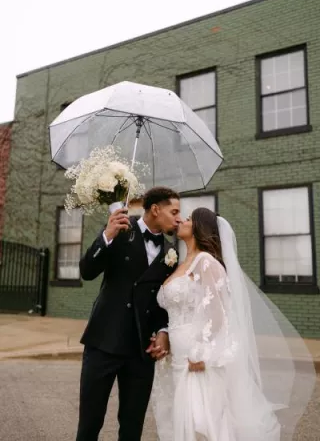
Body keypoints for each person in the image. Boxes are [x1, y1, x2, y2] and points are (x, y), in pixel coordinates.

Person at [152, 207, 316, 441]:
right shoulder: (180, 264)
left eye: (188, 219)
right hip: (177, 354)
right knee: (185, 420)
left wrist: (201, 352)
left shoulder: (206, 262)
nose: (182, 221)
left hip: (196, 356)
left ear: (199, 227)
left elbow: (218, 314)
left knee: (205, 422)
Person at [76, 186, 181, 441]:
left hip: (141, 350)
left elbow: (163, 303)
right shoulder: (121, 227)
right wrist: (106, 235)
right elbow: (87, 271)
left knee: (132, 427)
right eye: (174, 211)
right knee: (90, 422)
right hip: (104, 341)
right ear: (155, 209)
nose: (178, 218)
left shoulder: (171, 253)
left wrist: (164, 332)